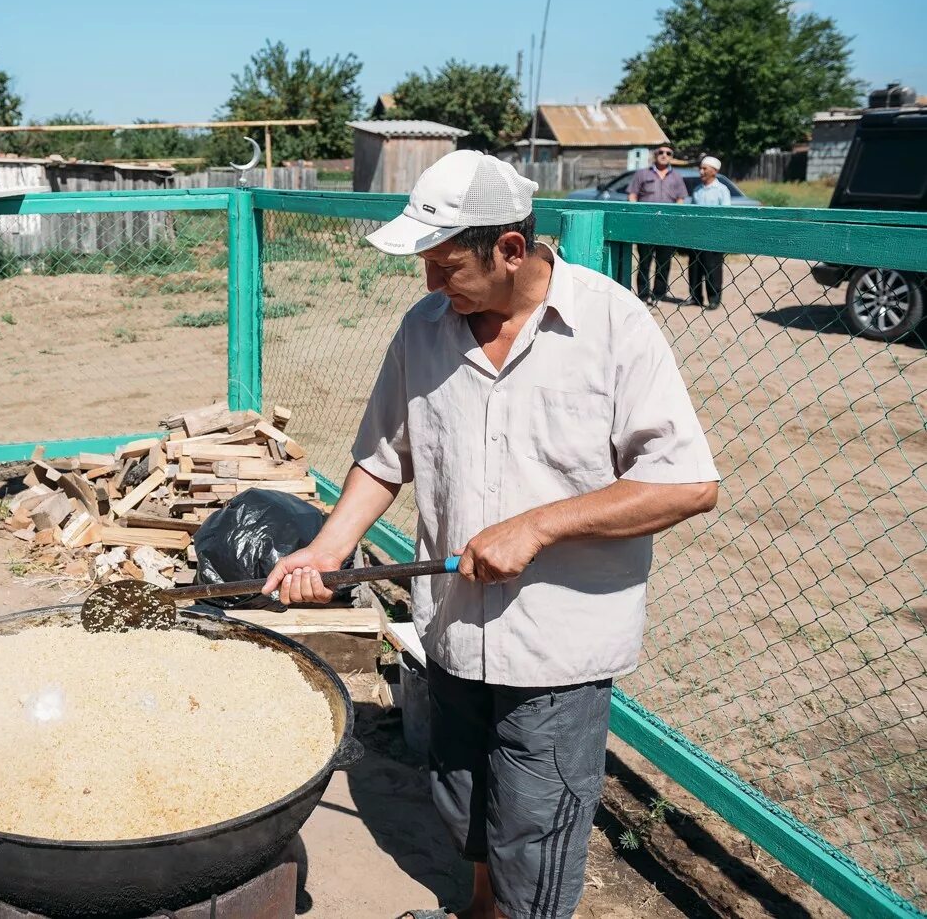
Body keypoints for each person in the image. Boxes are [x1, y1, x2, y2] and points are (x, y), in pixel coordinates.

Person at [264, 150, 719, 919]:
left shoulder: (612, 325)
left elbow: (686, 482)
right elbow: (383, 460)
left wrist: (540, 525)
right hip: (453, 629)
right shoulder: (424, 331)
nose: (433, 286)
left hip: (555, 645)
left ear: (511, 249)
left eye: (446, 268)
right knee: (464, 793)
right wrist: (327, 548)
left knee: (535, 824)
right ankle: (481, 909)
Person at [628, 142, 687, 304]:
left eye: (668, 153)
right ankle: (643, 295)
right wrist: (637, 215)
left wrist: (676, 219)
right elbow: (632, 195)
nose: (664, 155)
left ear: (672, 157)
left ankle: (658, 295)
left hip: (667, 227)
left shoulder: (676, 177)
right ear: (655, 154)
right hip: (646, 225)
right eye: (661, 152)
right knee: (644, 262)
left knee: (664, 263)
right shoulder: (642, 174)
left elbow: (681, 199)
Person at [685, 155, 730, 310]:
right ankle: (695, 297)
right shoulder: (697, 190)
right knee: (695, 268)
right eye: (701, 168)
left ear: (714, 171)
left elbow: (725, 214)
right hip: (696, 236)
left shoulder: (722, 190)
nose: (701, 171)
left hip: (714, 236)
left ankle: (714, 299)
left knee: (713, 269)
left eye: (705, 168)